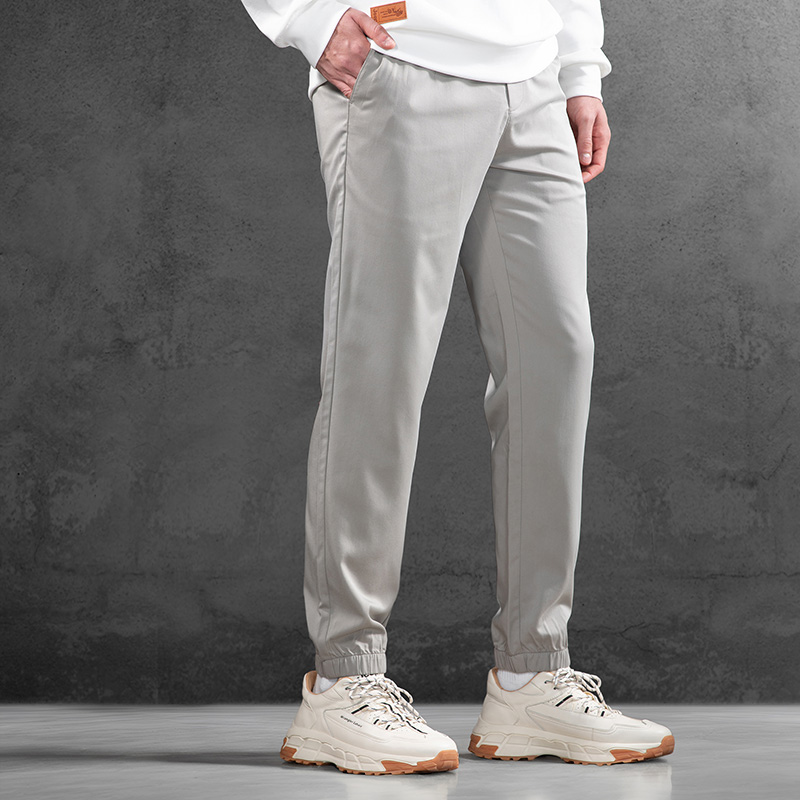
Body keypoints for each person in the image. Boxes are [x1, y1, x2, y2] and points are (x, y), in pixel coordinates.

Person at [239, 0, 675, 774]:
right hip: (401, 63)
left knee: (556, 361)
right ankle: (343, 682)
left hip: (533, 78)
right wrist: (307, 16)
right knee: (381, 365)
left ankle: (532, 672)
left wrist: (579, 70)